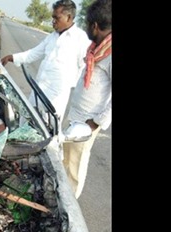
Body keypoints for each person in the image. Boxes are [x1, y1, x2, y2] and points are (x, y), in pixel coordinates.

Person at [0, 0, 90, 120]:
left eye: (56, 18)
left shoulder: (81, 39)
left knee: (48, 129)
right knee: (26, 121)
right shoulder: (52, 37)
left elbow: (84, 67)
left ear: (68, 17)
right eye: (52, 17)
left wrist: (69, 86)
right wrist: (12, 57)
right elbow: (34, 53)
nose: (53, 21)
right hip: (38, 88)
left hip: (56, 96)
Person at [62, 0, 111, 199]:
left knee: (75, 168)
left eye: (87, 24)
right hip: (75, 116)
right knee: (65, 162)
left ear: (95, 26)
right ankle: (61, 200)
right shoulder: (95, 49)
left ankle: (70, 214)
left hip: (86, 124)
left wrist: (96, 122)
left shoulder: (108, 54)